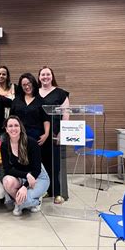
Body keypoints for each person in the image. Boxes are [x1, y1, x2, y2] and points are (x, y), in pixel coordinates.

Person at [1, 116, 50, 216]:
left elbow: (36, 170)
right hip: (23, 176)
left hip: (38, 177)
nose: (13, 128)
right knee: (7, 181)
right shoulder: (5, 145)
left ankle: (36, 200)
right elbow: (7, 169)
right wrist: (26, 176)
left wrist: (24, 186)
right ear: (6, 129)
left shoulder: (31, 143)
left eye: (16, 125)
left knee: (24, 201)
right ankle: (20, 202)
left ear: (20, 127)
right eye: (10, 126)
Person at [38, 66, 70, 204]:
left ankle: (58, 193)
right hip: (38, 133)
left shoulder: (60, 93)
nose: (45, 77)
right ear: (39, 77)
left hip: (55, 134)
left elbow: (66, 113)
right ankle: (45, 190)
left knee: (55, 164)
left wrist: (63, 131)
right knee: (41, 164)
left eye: (48, 74)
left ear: (52, 76)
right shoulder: (35, 92)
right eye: (42, 74)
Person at [11, 73, 50, 146]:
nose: (27, 86)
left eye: (29, 83)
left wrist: (46, 134)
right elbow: (11, 118)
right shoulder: (16, 101)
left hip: (36, 137)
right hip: (18, 136)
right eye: (24, 85)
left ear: (33, 83)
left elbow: (46, 119)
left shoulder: (41, 101)